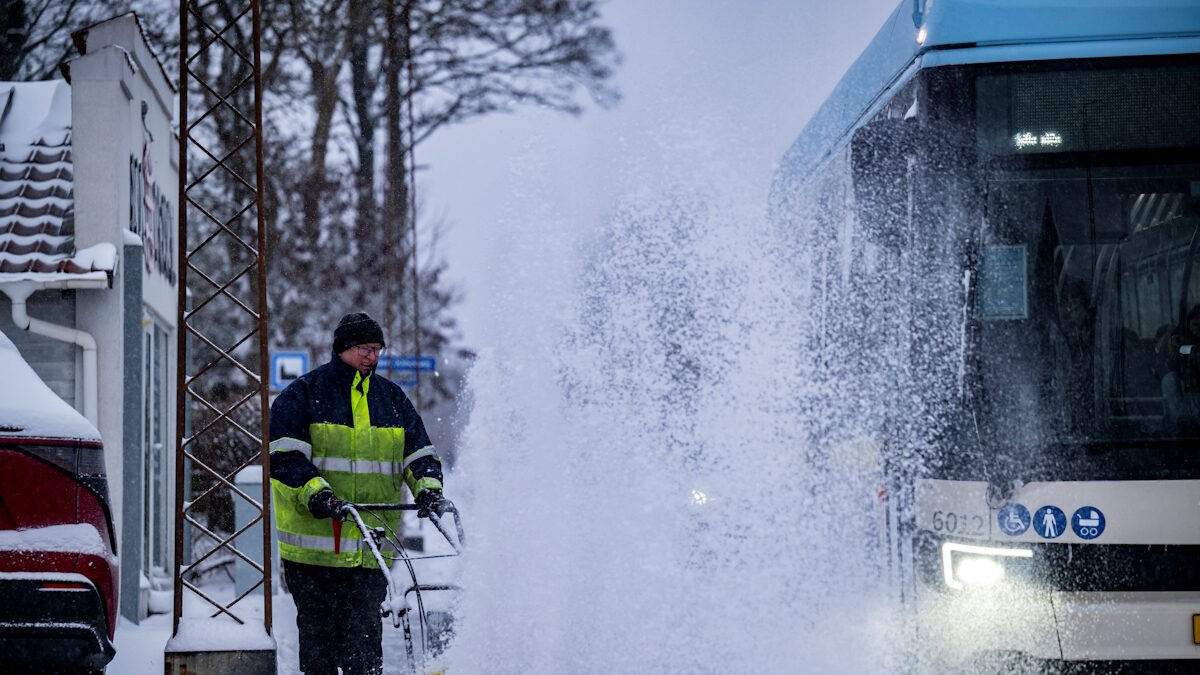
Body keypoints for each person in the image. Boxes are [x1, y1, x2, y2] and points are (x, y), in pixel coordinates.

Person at [270, 312, 447, 674]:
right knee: (319, 651)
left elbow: (419, 454)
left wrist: (428, 489)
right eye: (365, 349)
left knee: (364, 652)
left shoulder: (392, 400)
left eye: (377, 349)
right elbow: (284, 459)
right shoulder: (304, 395)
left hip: (369, 552)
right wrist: (317, 494)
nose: (372, 356)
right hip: (315, 555)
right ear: (343, 349)